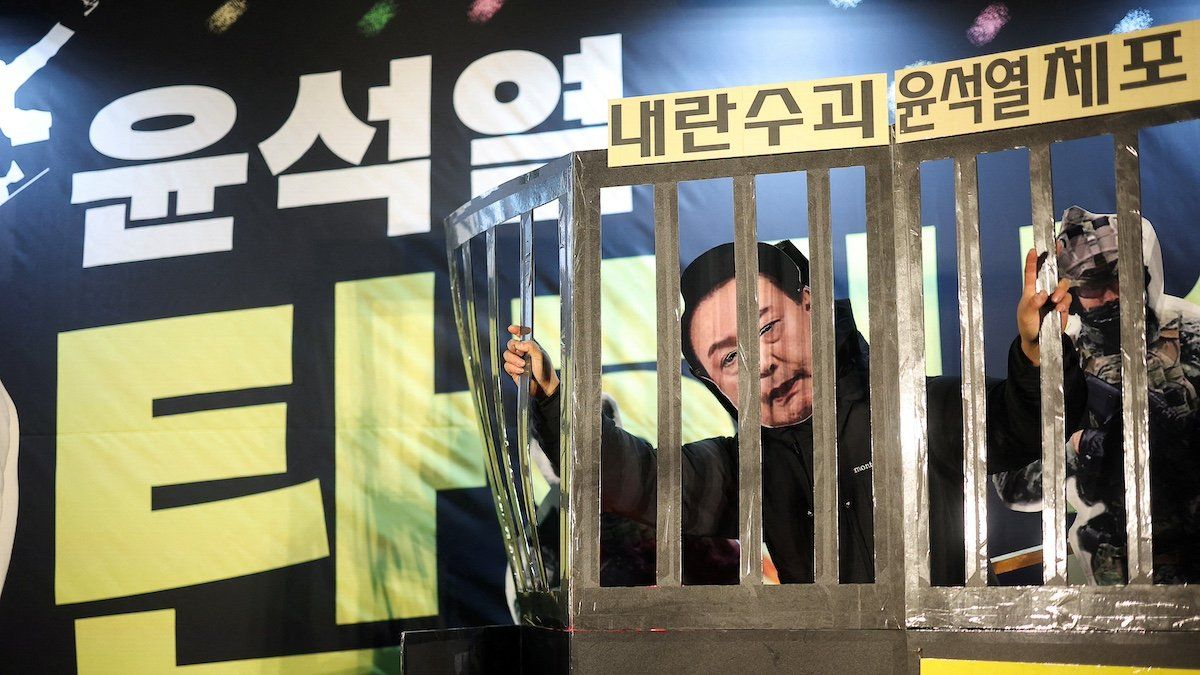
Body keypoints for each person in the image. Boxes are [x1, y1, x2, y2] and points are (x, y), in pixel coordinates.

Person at [505, 240, 1084, 585]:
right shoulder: (742, 472)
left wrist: (1038, 355)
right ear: (714, 383)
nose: (759, 364)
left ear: (809, 307)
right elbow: (641, 481)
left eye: (766, 328)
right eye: (729, 357)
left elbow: (1022, 423)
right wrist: (555, 403)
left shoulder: (912, 409)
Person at [993, 206, 1200, 584]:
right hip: (1116, 571)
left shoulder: (1193, 333)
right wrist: (1079, 448)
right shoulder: (1060, 359)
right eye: (1089, 286)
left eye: (1117, 280)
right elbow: (1011, 485)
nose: (1105, 297)